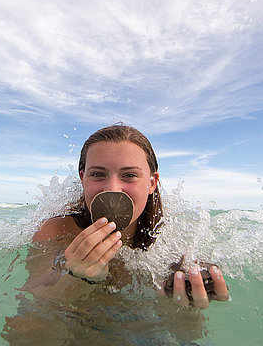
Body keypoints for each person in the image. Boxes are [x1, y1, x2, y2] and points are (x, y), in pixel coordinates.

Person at [27, 124, 229, 308]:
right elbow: (33, 309)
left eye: (129, 175)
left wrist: (185, 306)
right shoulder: (56, 230)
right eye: (98, 174)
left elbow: (187, 332)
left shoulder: (169, 243)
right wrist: (77, 277)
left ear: (151, 183)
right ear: (83, 178)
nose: (112, 188)